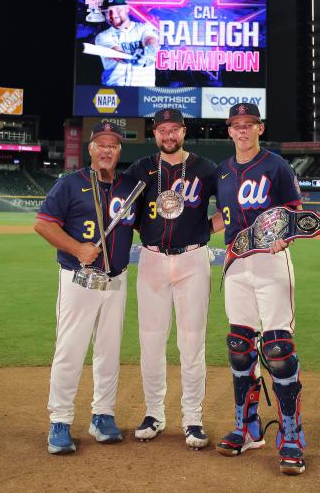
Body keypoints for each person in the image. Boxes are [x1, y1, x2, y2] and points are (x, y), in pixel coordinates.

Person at [212, 102, 308, 475]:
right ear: (229, 130)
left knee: (279, 349)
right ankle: (248, 427)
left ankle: (291, 434)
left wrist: (286, 238)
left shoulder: (276, 165)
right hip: (235, 263)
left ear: (259, 128)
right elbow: (224, 217)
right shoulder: (221, 172)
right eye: (236, 125)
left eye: (248, 124)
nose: (242, 130)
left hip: (271, 262)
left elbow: (295, 212)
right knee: (239, 345)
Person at [34, 121, 137, 454]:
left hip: (116, 279)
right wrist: (78, 248)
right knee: (71, 350)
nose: (107, 150)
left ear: (119, 151)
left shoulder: (129, 187)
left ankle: (102, 415)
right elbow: (43, 224)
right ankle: (60, 421)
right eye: (101, 145)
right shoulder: (69, 184)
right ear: (90, 149)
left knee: (109, 352)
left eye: (113, 146)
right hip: (79, 278)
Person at [125, 108, 219, 449]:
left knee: (192, 342)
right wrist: (145, 232)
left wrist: (203, 228)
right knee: (151, 341)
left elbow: (227, 211)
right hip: (151, 259)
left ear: (183, 131)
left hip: (193, 258)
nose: (168, 135)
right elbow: (127, 215)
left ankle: (192, 418)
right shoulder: (140, 168)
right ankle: (154, 413)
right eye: (162, 130)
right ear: (155, 133)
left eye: (174, 129)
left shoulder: (206, 168)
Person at [94, 0, 159, 87]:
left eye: (118, 9)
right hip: (114, 93)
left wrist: (150, 51)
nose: (113, 15)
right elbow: (117, 54)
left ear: (127, 9)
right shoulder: (102, 37)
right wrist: (131, 58)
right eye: (108, 11)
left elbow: (151, 39)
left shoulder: (144, 28)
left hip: (144, 92)